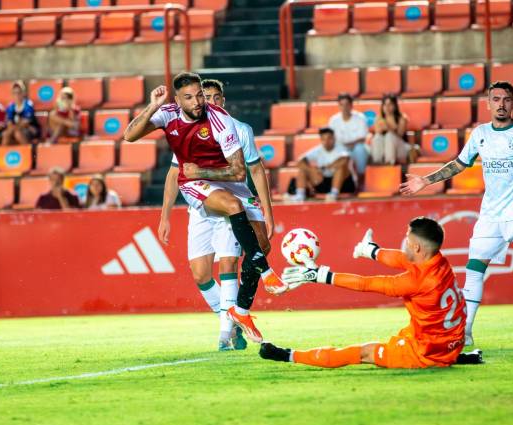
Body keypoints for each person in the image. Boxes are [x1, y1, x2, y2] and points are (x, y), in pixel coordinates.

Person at [123, 72, 287, 344]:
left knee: (256, 246)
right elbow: (130, 137)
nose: (200, 101)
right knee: (204, 269)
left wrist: (200, 169)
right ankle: (262, 277)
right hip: (196, 188)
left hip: (227, 185)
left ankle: (238, 317)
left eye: (203, 95)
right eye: (193, 97)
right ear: (178, 100)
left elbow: (240, 172)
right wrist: (152, 105)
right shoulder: (169, 114)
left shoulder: (225, 122)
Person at [400, 81, 513, 347]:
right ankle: (466, 331)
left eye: (506, 100)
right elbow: (459, 164)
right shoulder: (481, 133)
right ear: (488, 104)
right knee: (474, 272)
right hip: (489, 216)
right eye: (496, 99)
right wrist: (426, 181)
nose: (501, 104)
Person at [260, 218, 480, 369]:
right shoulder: (439, 261)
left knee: (363, 352)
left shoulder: (417, 281)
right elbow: (402, 259)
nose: (405, 244)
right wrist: (372, 251)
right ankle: (452, 357)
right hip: (448, 340)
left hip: (425, 352)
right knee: (407, 331)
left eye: (408, 241)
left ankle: (286, 355)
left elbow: (366, 283)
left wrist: (321, 276)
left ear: (418, 248)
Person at [158, 78, 276, 351]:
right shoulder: (189, 128)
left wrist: (268, 213)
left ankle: (226, 335)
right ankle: (230, 318)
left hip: (231, 201)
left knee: (228, 264)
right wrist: (164, 215)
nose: (209, 102)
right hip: (201, 205)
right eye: (204, 97)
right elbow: (175, 172)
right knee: (200, 274)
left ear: (223, 100)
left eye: (214, 97)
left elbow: (255, 170)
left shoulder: (239, 130)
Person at [288, 127, 356, 202]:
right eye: (323, 139)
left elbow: (344, 160)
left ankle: (334, 194)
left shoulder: (341, 148)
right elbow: (300, 161)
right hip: (324, 183)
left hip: (344, 185)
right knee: (303, 170)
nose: (326, 141)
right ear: (321, 140)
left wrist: (325, 168)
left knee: (341, 168)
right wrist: (312, 171)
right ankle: (300, 195)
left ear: (334, 138)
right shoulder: (318, 150)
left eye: (329, 138)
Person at [370, 94, 419, 166]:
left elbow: (400, 135)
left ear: (395, 106)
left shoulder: (402, 118)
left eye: (390, 104)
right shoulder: (378, 118)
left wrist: (388, 127)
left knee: (389, 136)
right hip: (384, 150)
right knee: (377, 137)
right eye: (385, 105)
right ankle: (377, 163)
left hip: (400, 149)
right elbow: (378, 133)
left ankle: (389, 163)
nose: (387, 107)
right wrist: (381, 128)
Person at [328, 93, 369, 176]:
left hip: (356, 149)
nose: (344, 108)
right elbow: (331, 139)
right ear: (338, 106)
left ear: (351, 105)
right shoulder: (333, 120)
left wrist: (347, 145)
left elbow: (362, 139)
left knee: (359, 148)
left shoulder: (360, 118)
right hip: (341, 150)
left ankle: (362, 176)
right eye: (342, 105)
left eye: (347, 104)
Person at [2, 81, 41, 146]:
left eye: (19, 92)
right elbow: (9, 123)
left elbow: (25, 123)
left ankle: (29, 153)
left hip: (30, 130)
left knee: (18, 133)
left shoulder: (28, 105)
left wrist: (12, 129)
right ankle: (2, 155)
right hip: (16, 129)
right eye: (14, 93)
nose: (17, 95)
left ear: (24, 93)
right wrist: (11, 129)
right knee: (6, 134)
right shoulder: (10, 107)